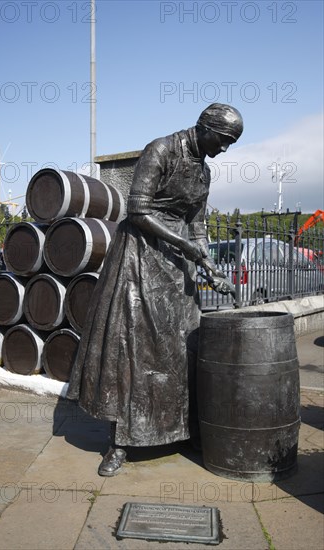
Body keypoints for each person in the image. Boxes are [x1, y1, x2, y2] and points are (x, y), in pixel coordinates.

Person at [67, 103, 244, 476]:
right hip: (139, 254)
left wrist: (207, 261)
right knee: (133, 344)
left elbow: (196, 222)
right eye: (224, 140)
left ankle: (180, 427)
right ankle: (119, 442)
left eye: (232, 143)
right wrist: (188, 247)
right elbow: (137, 209)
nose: (225, 148)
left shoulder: (204, 172)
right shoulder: (161, 149)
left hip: (176, 260)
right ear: (204, 127)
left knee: (183, 343)